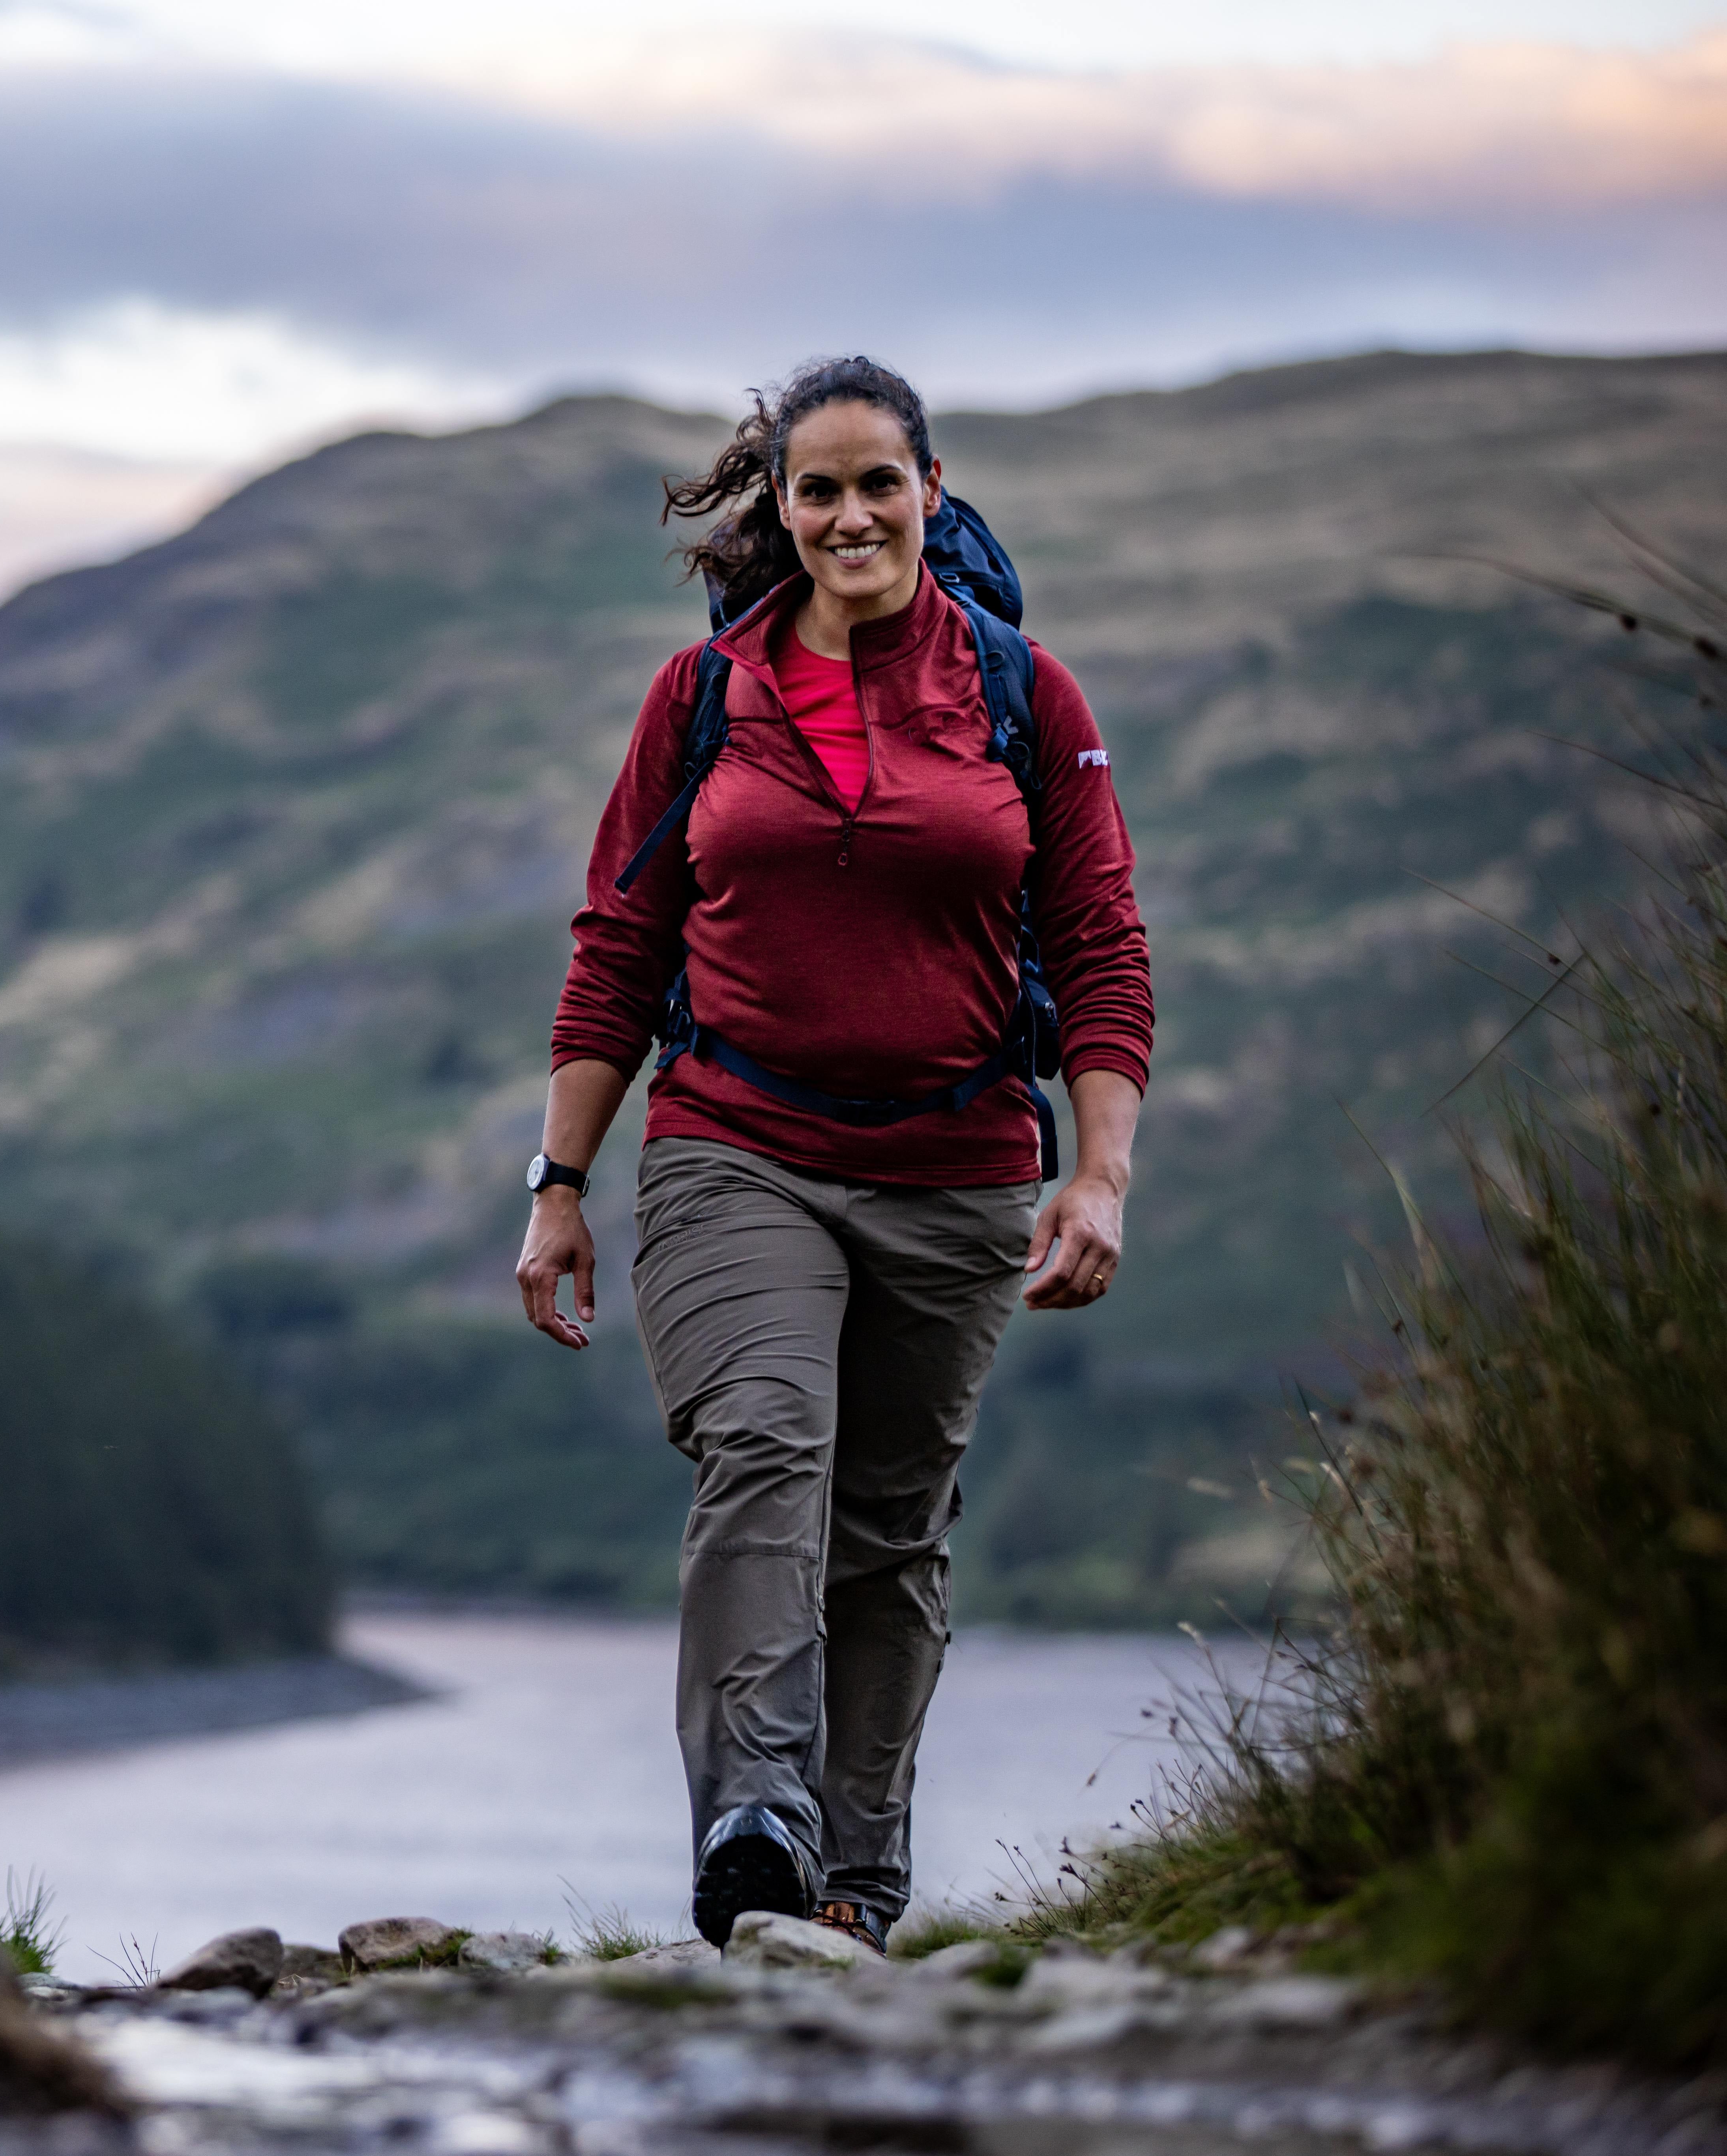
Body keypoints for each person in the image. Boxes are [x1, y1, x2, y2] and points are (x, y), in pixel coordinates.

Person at [513, 356, 1153, 1956]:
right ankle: (755, 1816)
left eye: (881, 483)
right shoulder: (700, 699)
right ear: (780, 510)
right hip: (738, 1148)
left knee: (886, 1522)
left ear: (931, 495)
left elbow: (1096, 944)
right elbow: (613, 948)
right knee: (765, 1445)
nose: (852, 512)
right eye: (819, 488)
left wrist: (1097, 1171)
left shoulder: (1024, 696)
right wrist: (558, 1185)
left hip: (955, 1173)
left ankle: (855, 1889)